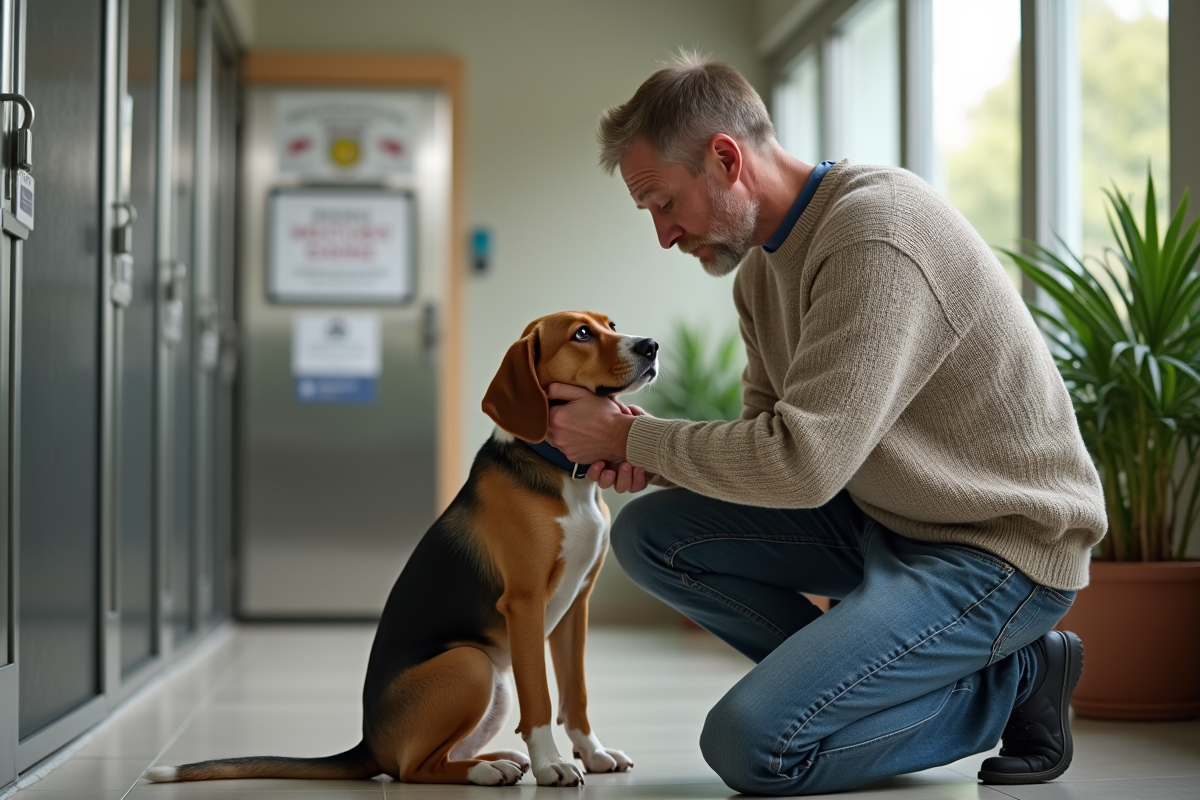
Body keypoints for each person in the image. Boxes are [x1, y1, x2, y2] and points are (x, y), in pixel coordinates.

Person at [543, 51, 1107, 796]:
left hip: (997, 549)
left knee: (753, 747)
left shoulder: (875, 234)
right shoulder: (759, 274)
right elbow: (772, 456)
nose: (664, 235)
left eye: (664, 203)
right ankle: (858, 688)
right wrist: (655, 452)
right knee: (653, 536)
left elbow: (802, 465)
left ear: (724, 158)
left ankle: (1014, 679)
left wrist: (626, 439)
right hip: (888, 522)